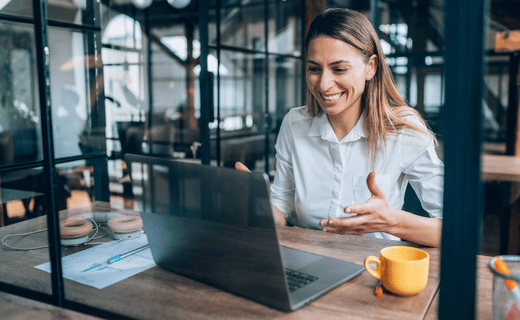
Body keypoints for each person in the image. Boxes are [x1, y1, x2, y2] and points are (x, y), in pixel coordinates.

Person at [236, 8, 443, 247]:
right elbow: (281, 211)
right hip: (306, 259)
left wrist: (391, 221)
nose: (323, 85)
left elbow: (454, 230)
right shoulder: (294, 124)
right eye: (314, 69)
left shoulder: (403, 130)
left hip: (371, 267)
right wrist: (258, 203)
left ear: (371, 67)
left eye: (339, 69)